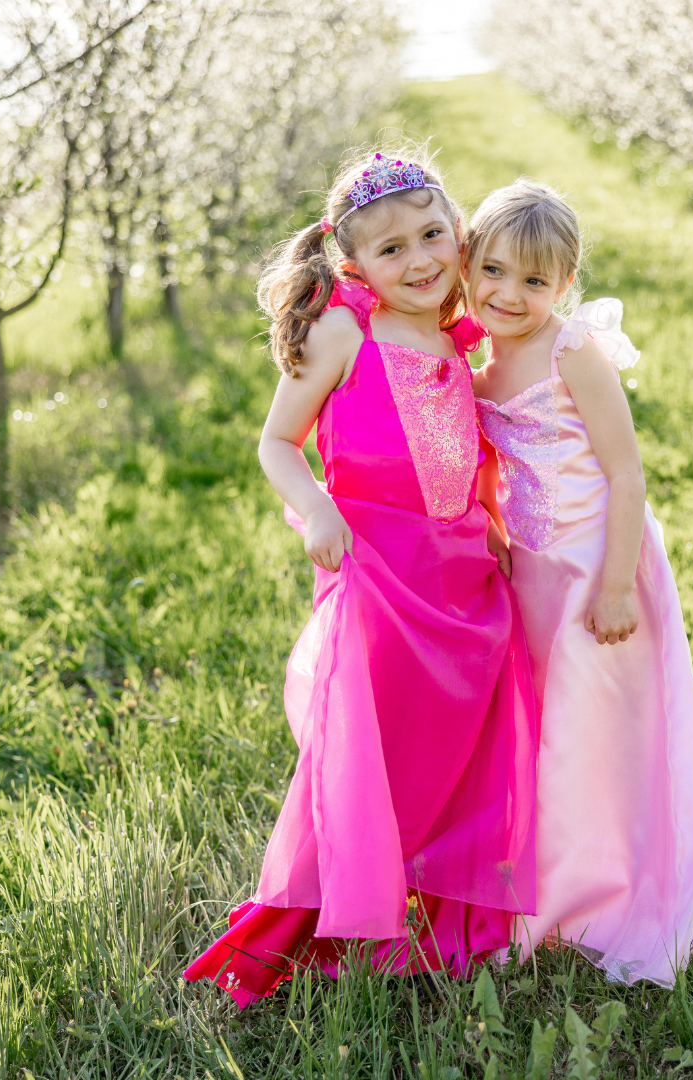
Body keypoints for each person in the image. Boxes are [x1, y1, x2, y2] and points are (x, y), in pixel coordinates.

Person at [184, 149, 538, 1007]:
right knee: (369, 746)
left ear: (458, 232)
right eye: (392, 251)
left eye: (433, 236)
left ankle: (450, 914)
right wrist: (319, 512)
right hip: (375, 567)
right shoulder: (346, 328)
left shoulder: (457, 326)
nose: (419, 261)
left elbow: (467, 443)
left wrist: (491, 521)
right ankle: (331, 915)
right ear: (353, 262)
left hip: (457, 571)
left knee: (461, 740)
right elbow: (277, 443)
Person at [467, 180, 693, 987]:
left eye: (535, 282)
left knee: (604, 728)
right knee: (551, 731)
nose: (510, 294)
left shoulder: (573, 349)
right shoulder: (479, 361)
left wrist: (615, 587)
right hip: (538, 572)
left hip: (600, 564)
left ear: (566, 285)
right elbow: (494, 473)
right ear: (470, 264)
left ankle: (615, 888)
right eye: (495, 271)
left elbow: (625, 473)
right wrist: (499, 545)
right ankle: (555, 885)